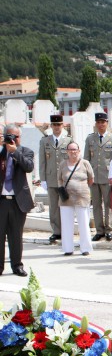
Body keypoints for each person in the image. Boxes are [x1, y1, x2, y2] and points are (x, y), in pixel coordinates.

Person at [0, 125, 35, 276]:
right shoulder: (0, 152)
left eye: (16, 137)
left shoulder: (26, 151)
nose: (12, 139)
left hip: (17, 200)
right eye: (9, 136)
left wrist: (15, 152)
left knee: (16, 235)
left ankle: (17, 265)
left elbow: (28, 167)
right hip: (1, 199)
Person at [84, 112, 112, 242]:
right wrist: (87, 175)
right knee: (96, 204)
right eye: (98, 122)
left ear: (107, 123)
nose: (100, 125)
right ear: (96, 124)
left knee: (108, 204)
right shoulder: (90, 139)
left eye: (103, 122)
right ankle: (99, 230)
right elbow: (86, 159)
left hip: (108, 176)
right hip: (94, 176)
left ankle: (109, 229)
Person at [38, 114, 72, 242]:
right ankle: (56, 231)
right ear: (51, 126)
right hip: (51, 177)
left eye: (59, 124)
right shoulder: (45, 141)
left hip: (65, 178)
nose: (57, 127)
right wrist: (43, 179)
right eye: (54, 125)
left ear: (62, 125)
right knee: (53, 206)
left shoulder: (68, 140)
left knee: (66, 204)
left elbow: (71, 159)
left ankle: (66, 229)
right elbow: (42, 161)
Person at [58, 142, 94, 256]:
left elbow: (91, 179)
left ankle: (85, 248)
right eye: (70, 150)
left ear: (79, 151)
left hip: (82, 197)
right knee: (66, 223)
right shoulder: (63, 164)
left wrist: (81, 188)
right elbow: (59, 179)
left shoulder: (85, 163)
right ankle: (68, 248)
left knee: (83, 223)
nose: (73, 152)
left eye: (75, 149)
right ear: (67, 151)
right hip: (66, 198)